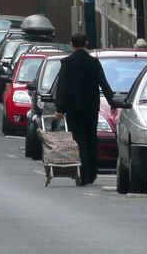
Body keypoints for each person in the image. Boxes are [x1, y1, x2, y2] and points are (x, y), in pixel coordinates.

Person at [54, 31, 115, 186]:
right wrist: (112, 103)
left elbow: (62, 87)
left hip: (73, 108)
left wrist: (59, 108)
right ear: (86, 44)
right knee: (91, 138)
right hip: (91, 108)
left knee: (79, 139)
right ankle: (92, 173)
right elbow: (104, 83)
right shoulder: (94, 63)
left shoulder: (67, 63)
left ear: (71, 44)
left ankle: (83, 173)